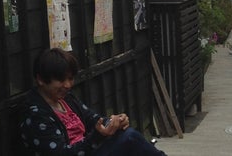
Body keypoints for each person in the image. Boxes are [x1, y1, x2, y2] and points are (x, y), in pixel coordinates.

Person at [19, 48, 166, 155]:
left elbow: (93, 119)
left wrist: (115, 122)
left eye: (70, 78)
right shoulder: (36, 114)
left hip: (90, 150)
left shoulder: (67, 99)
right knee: (130, 139)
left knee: (126, 134)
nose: (68, 85)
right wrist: (98, 136)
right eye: (61, 80)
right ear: (41, 80)